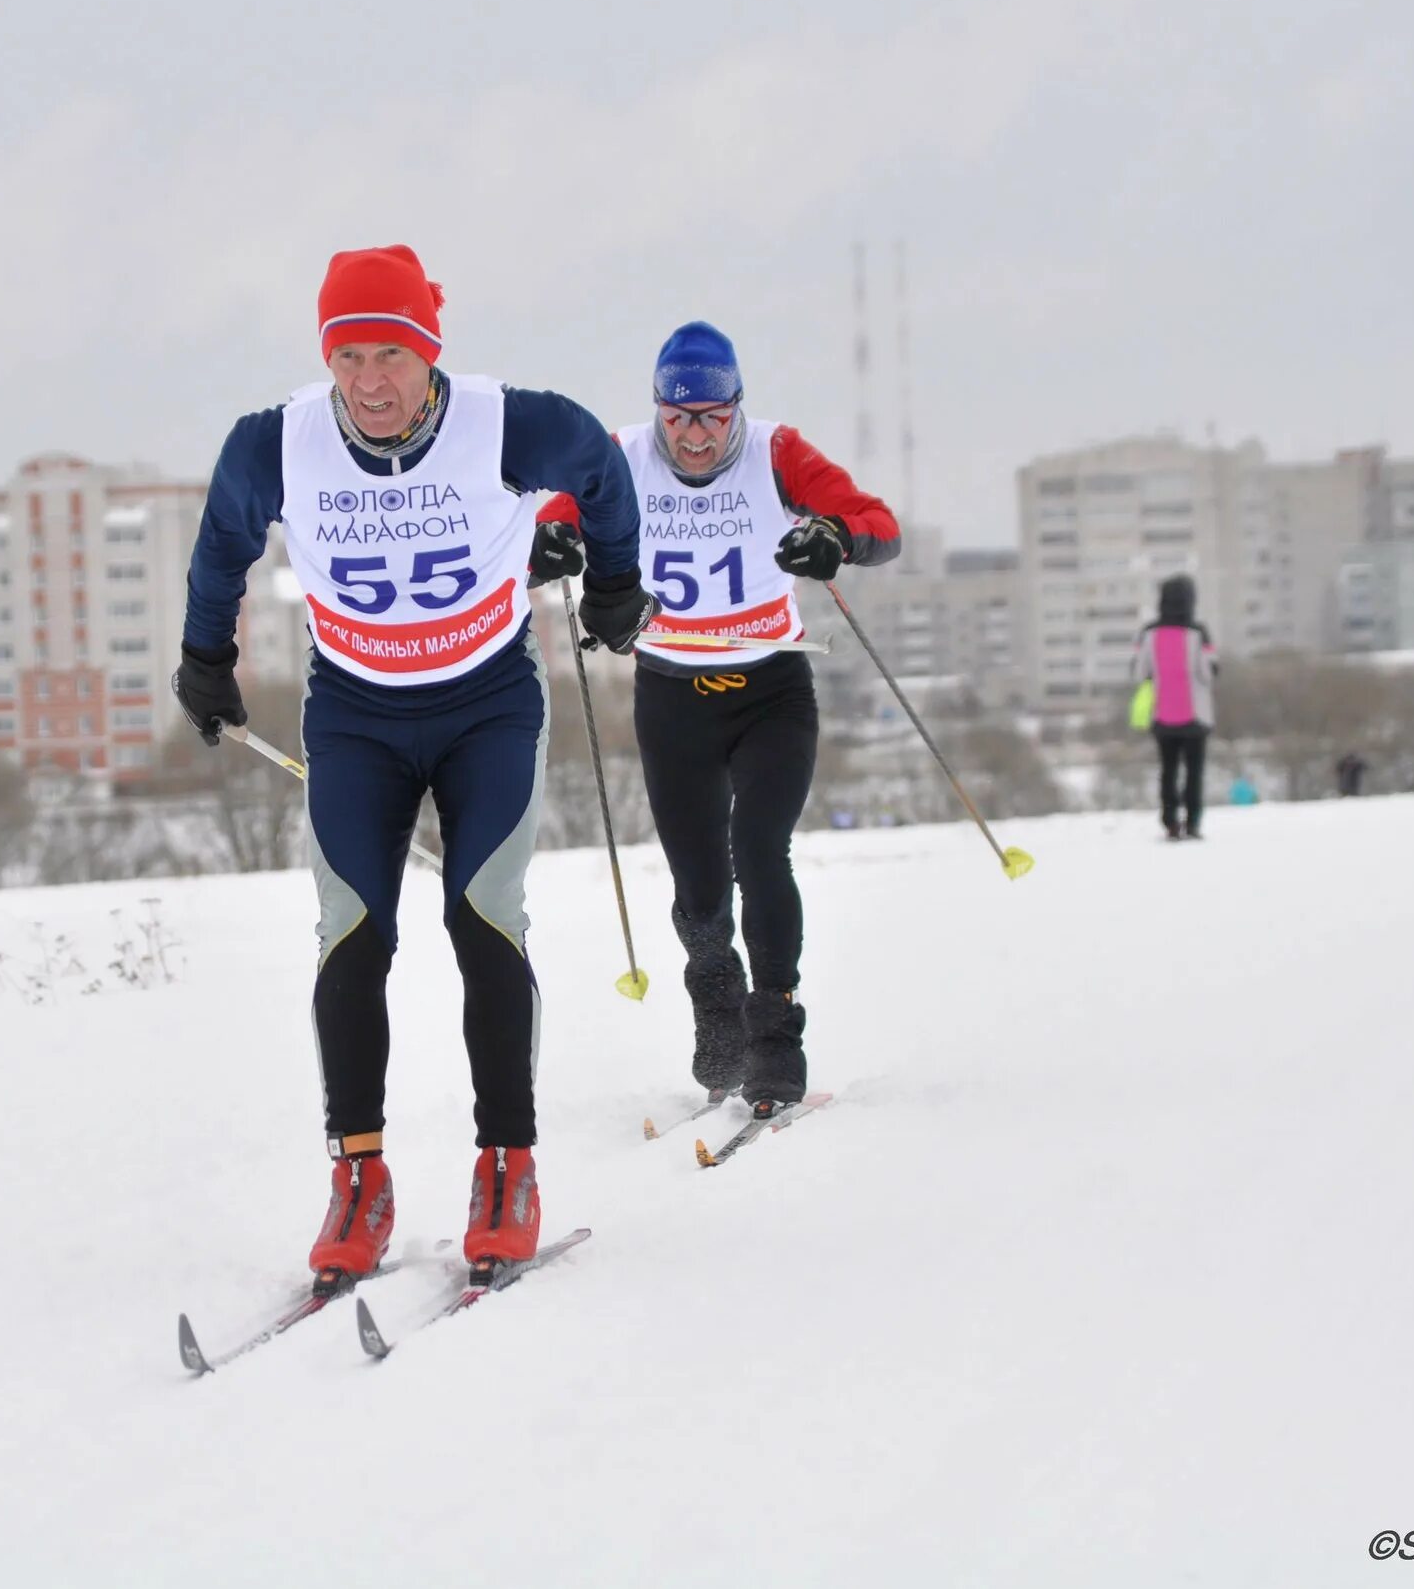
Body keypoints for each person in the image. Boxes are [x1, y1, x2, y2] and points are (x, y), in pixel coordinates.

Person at [173, 245, 653, 1285]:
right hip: (356, 715)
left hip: (488, 706)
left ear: (428, 351)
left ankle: (506, 1166)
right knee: (351, 934)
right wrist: (205, 657)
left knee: (483, 918)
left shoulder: (506, 424)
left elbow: (602, 472)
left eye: (391, 354)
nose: (370, 382)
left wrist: (617, 581)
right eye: (348, 357)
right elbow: (221, 546)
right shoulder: (277, 443)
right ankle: (359, 1177)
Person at [533, 321, 896, 1113]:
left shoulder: (777, 452)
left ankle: (775, 1035)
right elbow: (549, 519)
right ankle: (715, 999)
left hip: (771, 691)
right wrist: (554, 537)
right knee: (699, 886)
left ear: (737, 407)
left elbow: (878, 523)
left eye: (712, 418)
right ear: (657, 409)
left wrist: (835, 538)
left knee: (759, 848)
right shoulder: (622, 457)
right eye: (678, 418)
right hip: (671, 699)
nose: (695, 437)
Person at [1129, 574, 1218, 839]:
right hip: (1195, 717)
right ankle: (1193, 822)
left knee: (1168, 770)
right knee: (1194, 772)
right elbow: (1208, 673)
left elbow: (1139, 673)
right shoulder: (1198, 633)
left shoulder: (1148, 633)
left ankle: (1170, 822)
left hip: (1162, 716)